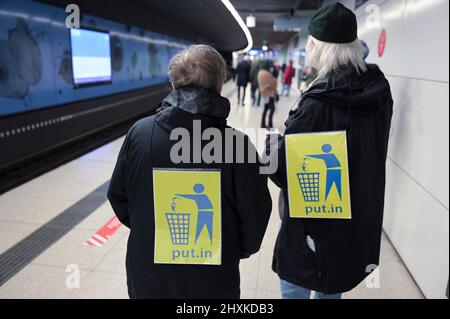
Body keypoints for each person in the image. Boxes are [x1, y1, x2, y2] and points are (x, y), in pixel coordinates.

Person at [108, 45, 272, 299]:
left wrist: (150, 229)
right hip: (214, 281)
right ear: (219, 85)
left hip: (149, 277)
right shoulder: (238, 146)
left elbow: (119, 196)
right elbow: (256, 214)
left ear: (172, 85)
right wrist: (231, 248)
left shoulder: (139, 134)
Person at [265, 3, 393, 299]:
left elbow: (286, 172)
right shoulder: (378, 91)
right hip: (355, 221)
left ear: (315, 46)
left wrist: (272, 145)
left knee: (297, 289)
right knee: (331, 290)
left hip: (312, 227)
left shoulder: (317, 103)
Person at [258, 60, 278, 129]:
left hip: (264, 93)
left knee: (266, 108)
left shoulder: (260, 73)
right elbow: (273, 84)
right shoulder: (266, 73)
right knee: (272, 109)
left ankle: (263, 124)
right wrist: (275, 81)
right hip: (269, 94)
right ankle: (270, 124)